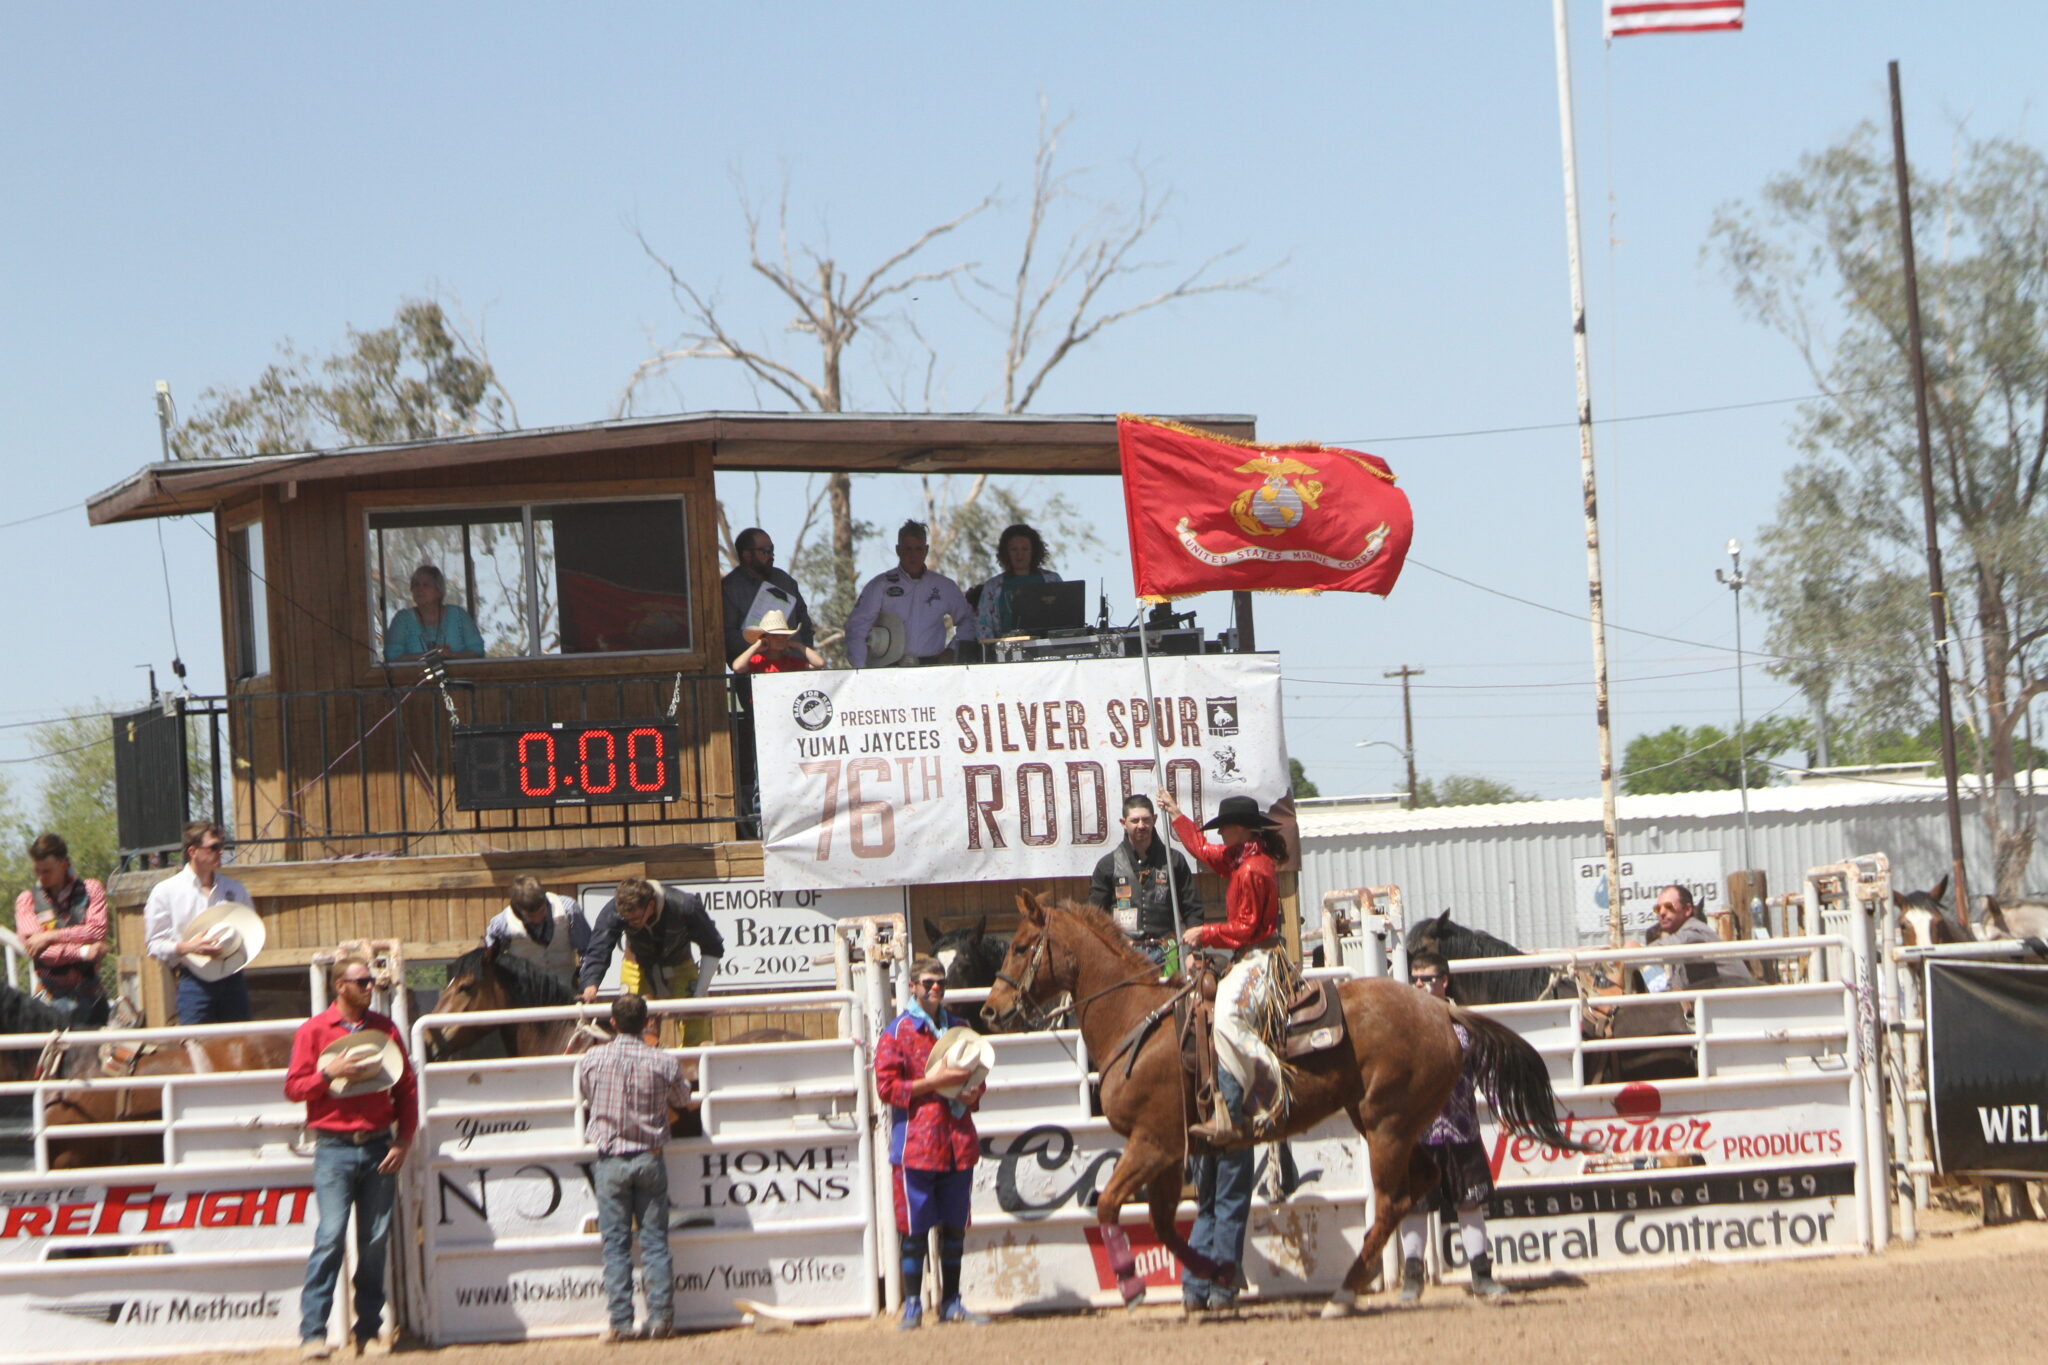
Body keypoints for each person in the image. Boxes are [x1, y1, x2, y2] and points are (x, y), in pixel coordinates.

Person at [1161, 790, 1290, 1313]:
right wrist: (1177, 817)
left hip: (1262, 957)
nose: (1220, 837)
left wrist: (1204, 930)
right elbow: (1205, 852)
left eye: (1224, 829)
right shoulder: (1240, 858)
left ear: (1241, 829)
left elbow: (1246, 930)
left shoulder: (1255, 869)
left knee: (1230, 1015)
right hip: (1250, 953)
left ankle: (1238, 1090)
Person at [285, 959, 417, 1359]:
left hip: (378, 1144)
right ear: (340, 985)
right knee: (331, 1237)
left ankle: (369, 1329)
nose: (370, 986)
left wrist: (403, 1139)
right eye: (361, 981)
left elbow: (405, 1087)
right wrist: (329, 1074)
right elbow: (293, 1088)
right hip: (334, 1146)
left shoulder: (385, 1028)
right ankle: (312, 1332)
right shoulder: (313, 1032)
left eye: (370, 981)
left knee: (374, 1241)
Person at [874, 959, 988, 1329]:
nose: (935, 989)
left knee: (955, 1226)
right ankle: (913, 1304)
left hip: (957, 1139)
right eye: (928, 983)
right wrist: (936, 1082)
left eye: (940, 983)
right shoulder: (896, 1033)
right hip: (916, 1143)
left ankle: (952, 1302)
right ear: (911, 986)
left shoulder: (961, 1028)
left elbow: (978, 1077)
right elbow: (887, 1088)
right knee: (915, 1229)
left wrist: (972, 1093)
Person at [576, 992, 690, 1343]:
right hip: (649, 1155)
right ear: (647, 1024)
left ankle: (621, 1323)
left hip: (611, 1159)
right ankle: (660, 1319)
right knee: (655, 1241)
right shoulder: (663, 1062)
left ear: (613, 1022)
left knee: (615, 1244)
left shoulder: (592, 1059)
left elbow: (586, 1095)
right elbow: (683, 1099)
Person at [1395, 952, 1507, 1302]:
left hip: (1461, 1129)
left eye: (1427, 978)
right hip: (1420, 1132)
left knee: (1470, 1204)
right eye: (1415, 978)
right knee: (1414, 1205)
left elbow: (1487, 1071)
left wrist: (1500, 1108)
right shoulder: (1403, 1027)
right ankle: (1412, 1278)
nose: (1420, 985)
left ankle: (1481, 1275)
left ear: (1444, 981)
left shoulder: (1467, 1026)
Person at [578, 876, 725, 1045]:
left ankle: (695, 1068)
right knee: (633, 1024)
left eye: (636, 919)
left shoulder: (685, 905)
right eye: (627, 920)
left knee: (696, 1023)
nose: (631, 924)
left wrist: (700, 994)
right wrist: (590, 985)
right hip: (636, 965)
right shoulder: (614, 909)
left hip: (680, 965)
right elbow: (599, 948)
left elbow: (713, 946)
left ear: (651, 905)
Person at [142, 820, 257, 1024]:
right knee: (194, 1046)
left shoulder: (236, 890)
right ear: (192, 851)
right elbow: (154, 944)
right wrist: (188, 947)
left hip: (233, 978)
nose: (220, 851)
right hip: (193, 980)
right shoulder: (166, 892)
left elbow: (251, 931)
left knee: (242, 1044)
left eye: (221, 846)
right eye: (213, 847)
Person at [1088, 795, 1202, 971]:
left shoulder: (1173, 861)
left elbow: (1192, 908)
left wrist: (1193, 953)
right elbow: (1094, 917)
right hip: (1124, 954)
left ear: (1155, 819)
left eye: (1146, 820)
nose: (1141, 825)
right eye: (1135, 820)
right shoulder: (1107, 866)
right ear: (1123, 822)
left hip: (1167, 952)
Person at [844, 521, 977, 668]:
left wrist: (952, 651)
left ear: (926, 550)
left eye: (918, 549)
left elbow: (969, 620)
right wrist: (860, 670)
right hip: (889, 667)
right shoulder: (880, 585)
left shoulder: (944, 586)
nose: (913, 555)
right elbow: (857, 626)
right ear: (898, 550)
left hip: (933, 668)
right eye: (907, 549)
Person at [13, 833, 111, 1028]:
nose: (41, 877)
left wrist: (51, 935)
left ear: (64, 865)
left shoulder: (91, 890)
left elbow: (97, 931)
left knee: (107, 1054)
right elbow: (40, 952)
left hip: (90, 995)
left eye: (47, 871)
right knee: (49, 1057)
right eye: (37, 871)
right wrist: (84, 951)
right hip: (50, 999)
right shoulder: (27, 900)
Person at [481, 874, 590, 995]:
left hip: (567, 991)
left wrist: (588, 984)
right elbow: (488, 962)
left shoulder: (569, 910)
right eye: (531, 916)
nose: (538, 919)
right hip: (525, 997)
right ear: (518, 911)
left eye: (542, 911)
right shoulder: (501, 925)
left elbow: (588, 951)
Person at [720, 527, 815, 663]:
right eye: (765, 551)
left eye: (772, 550)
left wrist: (805, 654)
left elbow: (804, 624)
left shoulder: (785, 581)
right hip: (753, 672)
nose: (771, 556)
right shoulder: (730, 587)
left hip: (794, 668)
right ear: (747, 555)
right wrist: (763, 643)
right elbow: (726, 637)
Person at [1637, 884, 1753, 991]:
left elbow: (1668, 947)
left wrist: (1637, 950)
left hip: (1743, 1001)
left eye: (1669, 907)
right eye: (1658, 909)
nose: (1662, 912)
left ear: (1687, 910)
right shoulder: (1677, 948)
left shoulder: (1695, 930)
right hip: (1723, 1002)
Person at [972, 522, 1062, 640]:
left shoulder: (1052, 580)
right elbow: (983, 626)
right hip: (1006, 652)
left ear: (1033, 551)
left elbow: (1063, 617)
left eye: (1025, 549)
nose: (1020, 554)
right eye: (1014, 549)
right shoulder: (993, 587)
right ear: (1006, 552)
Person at [383, 563, 484, 663]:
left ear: (439, 591)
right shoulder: (402, 619)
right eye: (416, 585)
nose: (419, 589)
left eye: (426, 585)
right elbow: (392, 656)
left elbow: (477, 651)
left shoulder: (458, 615)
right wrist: (430, 656)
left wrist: (451, 655)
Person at [730, 609, 825, 675]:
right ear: (764, 638)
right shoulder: (756, 661)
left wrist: (799, 646)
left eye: (784, 635)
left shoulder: (792, 662)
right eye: (774, 635)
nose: (780, 638)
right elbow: (737, 667)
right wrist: (756, 646)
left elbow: (819, 663)